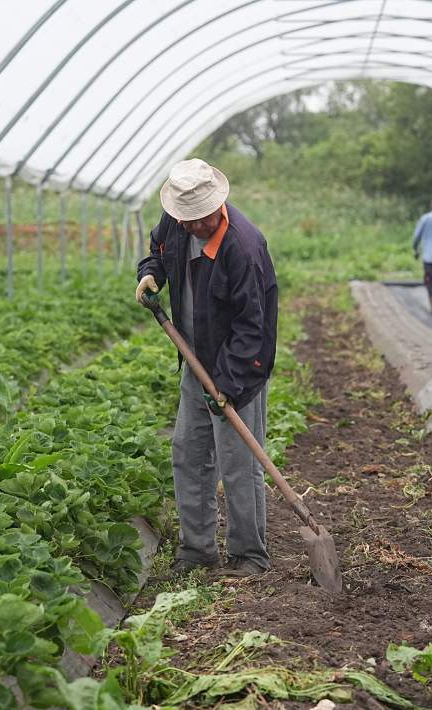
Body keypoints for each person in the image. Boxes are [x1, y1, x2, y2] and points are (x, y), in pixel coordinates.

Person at [135, 158, 278, 578]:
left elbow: (253, 329)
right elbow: (158, 250)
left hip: (238, 366)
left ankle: (249, 553)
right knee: (188, 452)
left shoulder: (244, 248)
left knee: (238, 461)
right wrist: (150, 274)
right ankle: (197, 550)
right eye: (188, 219)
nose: (195, 225)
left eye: (202, 218)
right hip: (195, 359)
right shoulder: (176, 222)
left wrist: (228, 385)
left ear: (218, 205)